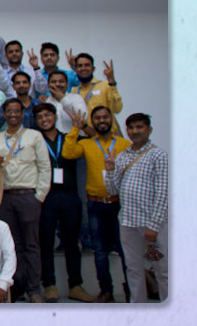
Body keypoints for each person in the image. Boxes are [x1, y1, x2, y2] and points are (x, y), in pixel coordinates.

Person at [0, 98, 50, 303]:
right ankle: (18, 287)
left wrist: (39, 197)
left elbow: (45, 167)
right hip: (6, 199)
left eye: (16, 111)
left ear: (22, 114)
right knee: (12, 246)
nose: (12, 115)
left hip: (28, 196)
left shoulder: (34, 136)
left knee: (32, 245)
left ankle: (34, 289)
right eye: (9, 111)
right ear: (4, 114)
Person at [64, 106, 129, 302]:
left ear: (111, 120)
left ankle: (131, 288)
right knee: (99, 251)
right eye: (98, 118)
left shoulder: (125, 144)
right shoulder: (87, 144)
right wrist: (76, 129)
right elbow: (68, 153)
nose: (102, 121)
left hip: (119, 205)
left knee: (125, 249)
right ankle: (106, 290)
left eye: (105, 117)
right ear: (93, 123)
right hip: (95, 206)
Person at [28, 104, 90, 302]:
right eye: (40, 117)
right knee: (45, 242)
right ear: (36, 121)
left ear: (55, 117)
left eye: (48, 115)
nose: (44, 119)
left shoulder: (69, 137)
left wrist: (81, 125)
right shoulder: (36, 140)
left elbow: (92, 138)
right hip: (46, 196)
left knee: (72, 243)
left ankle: (76, 285)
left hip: (70, 195)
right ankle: (49, 285)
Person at [107, 113, 167, 302]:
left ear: (149, 130)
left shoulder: (158, 155)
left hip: (151, 225)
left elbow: (163, 192)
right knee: (133, 268)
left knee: (162, 270)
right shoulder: (123, 156)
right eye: (131, 128)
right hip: (127, 222)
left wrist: (154, 226)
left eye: (140, 127)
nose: (135, 131)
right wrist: (109, 170)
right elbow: (113, 190)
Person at [72, 52, 124, 117]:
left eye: (87, 65)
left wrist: (111, 81)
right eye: (80, 66)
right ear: (76, 69)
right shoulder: (74, 92)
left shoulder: (106, 86)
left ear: (93, 69)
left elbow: (117, 109)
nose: (83, 68)